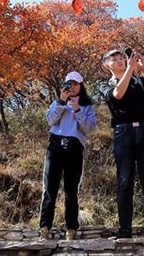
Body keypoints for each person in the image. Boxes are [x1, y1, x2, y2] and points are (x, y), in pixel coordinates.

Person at [99, 49, 144, 238]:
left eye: (122, 59)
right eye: (115, 59)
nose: (120, 61)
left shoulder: (137, 80)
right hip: (123, 132)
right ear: (106, 65)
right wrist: (130, 69)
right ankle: (125, 229)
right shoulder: (104, 84)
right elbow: (118, 94)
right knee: (124, 181)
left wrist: (143, 70)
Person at [39, 71, 96, 240]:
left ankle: (71, 228)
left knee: (71, 190)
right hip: (55, 145)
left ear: (81, 86)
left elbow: (89, 129)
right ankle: (44, 227)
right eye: (69, 84)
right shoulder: (57, 102)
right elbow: (50, 121)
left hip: (74, 147)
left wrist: (77, 109)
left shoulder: (87, 105)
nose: (72, 87)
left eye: (76, 84)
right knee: (50, 188)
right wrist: (61, 102)